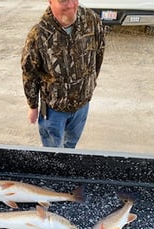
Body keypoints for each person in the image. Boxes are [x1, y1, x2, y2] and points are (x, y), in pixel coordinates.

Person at [21, 0, 105, 148]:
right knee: (53, 150)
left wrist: (90, 84)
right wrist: (33, 106)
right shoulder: (39, 34)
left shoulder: (91, 20)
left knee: (71, 145)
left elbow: (98, 54)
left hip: (82, 105)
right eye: (63, 1)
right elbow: (29, 72)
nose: (71, 5)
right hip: (54, 110)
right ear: (50, 1)